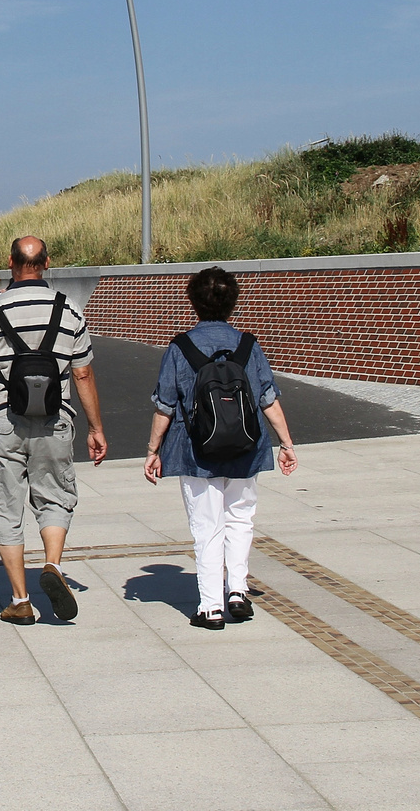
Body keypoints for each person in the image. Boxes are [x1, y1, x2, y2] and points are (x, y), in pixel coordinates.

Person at [144, 266, 298, 630]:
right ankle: (238, 592)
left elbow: (165, 405)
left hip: (197, 450)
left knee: (206, 525)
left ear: (193, 302)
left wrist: (153, 451)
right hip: (247, 446)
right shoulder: (248, 345)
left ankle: (211, 607)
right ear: (233, 303)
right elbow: (267, 398)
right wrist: (286, 444)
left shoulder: (181, 346)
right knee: (241, 519)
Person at [0, 236, 107, 625]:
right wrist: (95, 428)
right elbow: (83, 372)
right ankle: (53, 565)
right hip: (55, 419)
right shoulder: (69, 309)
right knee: (56, 497)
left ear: (11, 263)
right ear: (47, 264)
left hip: (1, 421)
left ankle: (20, 600)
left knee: (5, 508)